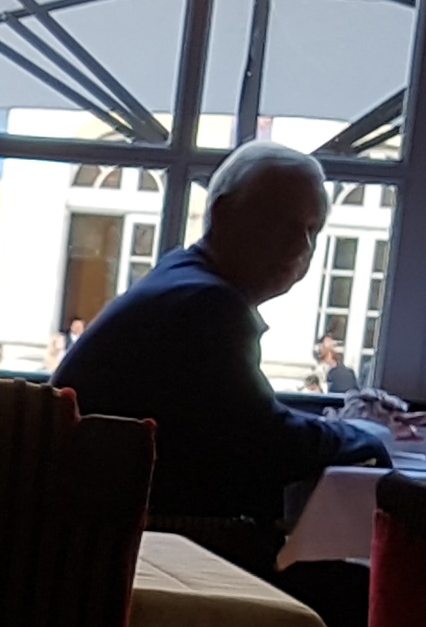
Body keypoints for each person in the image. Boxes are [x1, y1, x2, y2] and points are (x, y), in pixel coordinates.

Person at [54, 140, 391, 537]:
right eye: (283, 224)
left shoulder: (183, 281)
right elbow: (265, 444)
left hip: (94, 528)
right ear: (223, 214)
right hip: (125, 541)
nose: (302, 247)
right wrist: (365, 435)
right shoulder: (207, 305)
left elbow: (244, 421)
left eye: (312, 230)